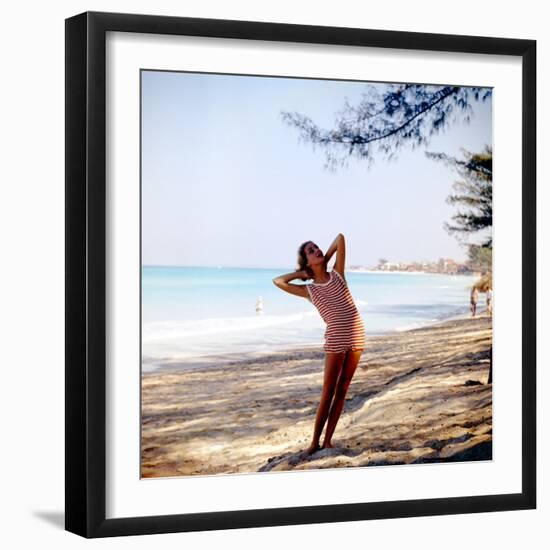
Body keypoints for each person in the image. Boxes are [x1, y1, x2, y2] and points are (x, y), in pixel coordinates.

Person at [272, 233, 366, 455]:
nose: (317, 250)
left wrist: (325, 257)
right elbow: (278, 281)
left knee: (342, 390)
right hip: (335, 337)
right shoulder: (309, 290)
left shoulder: (338, 274)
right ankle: (315, 442)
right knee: (328, 392)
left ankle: (328, 441)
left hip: (356, 334)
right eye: (310, 251)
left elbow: (340, 238)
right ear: (306, 262)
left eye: (317, 248)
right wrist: (302, 273)